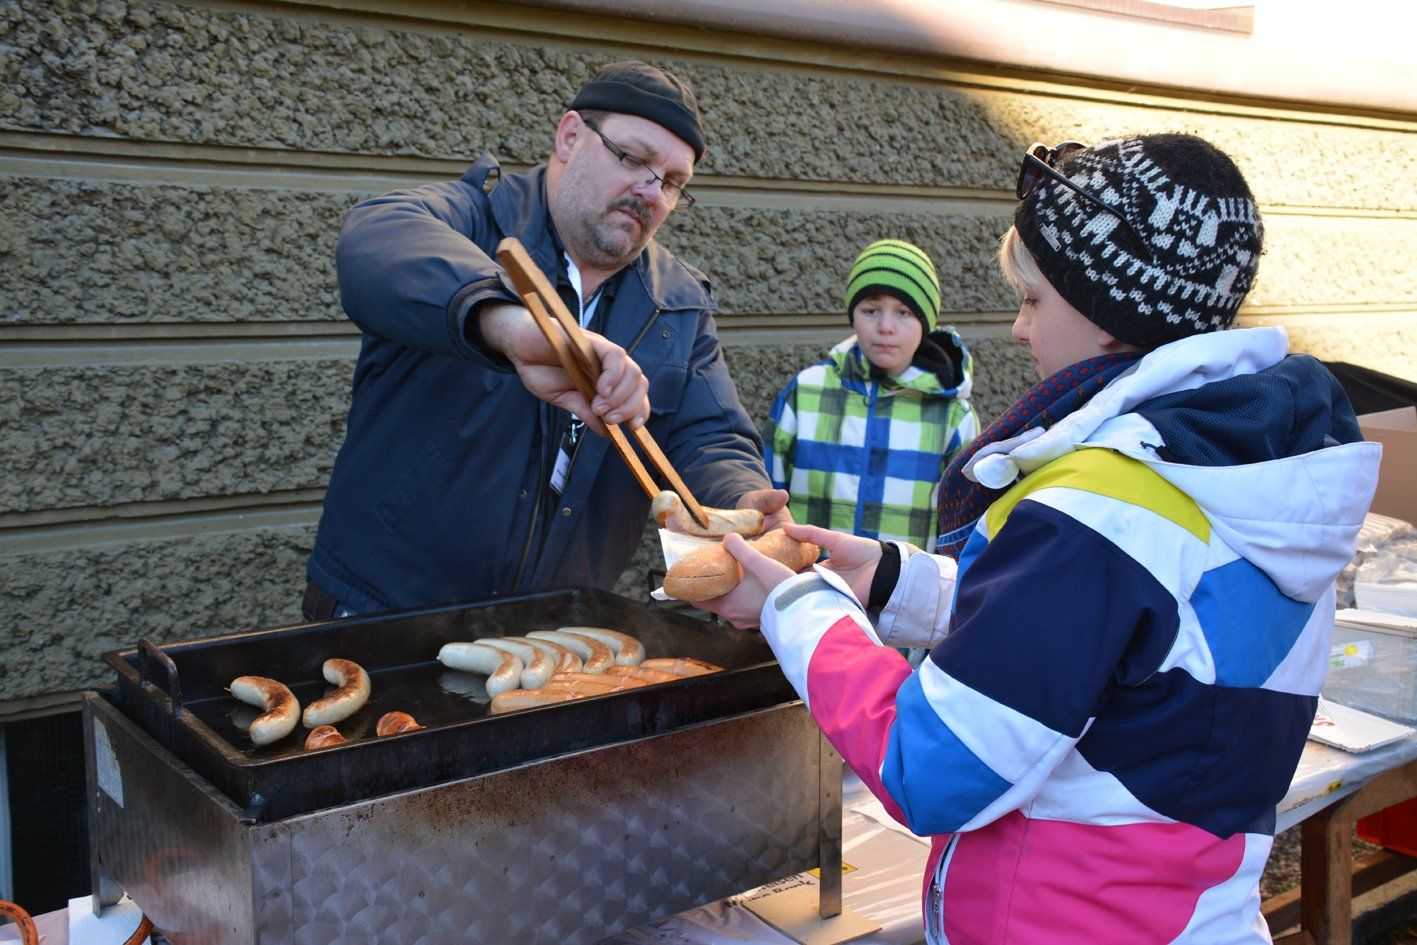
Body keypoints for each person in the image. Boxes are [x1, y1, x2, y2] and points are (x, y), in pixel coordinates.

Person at [697, 134, 1381, 943]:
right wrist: (889, 579)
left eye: (1032, 299)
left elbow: (931, 764)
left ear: (1110, 317)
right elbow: (1122, 638)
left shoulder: (1101, 506)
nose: (1019, 328)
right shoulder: (1239, 468)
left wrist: (797, 604)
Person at [303, 61, 786, 620]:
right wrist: (508, 326)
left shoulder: (678, 302)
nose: (651, 192)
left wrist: (742, 499)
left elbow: (710, 436)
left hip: (552, 632)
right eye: (633, 158)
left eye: (674, 182)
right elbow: (375, 238)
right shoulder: (475, 220)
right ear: (570, 136)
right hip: (380, 612)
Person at [760, 239, 978, 550]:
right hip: (807, 577)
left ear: (925, 322)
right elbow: (769, 496)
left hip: (904, 581)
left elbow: (962, 528)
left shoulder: (952, 415)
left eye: (904, 312)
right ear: (853, 315)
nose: (886, 326)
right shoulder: (805, 393)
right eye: (871, 310)